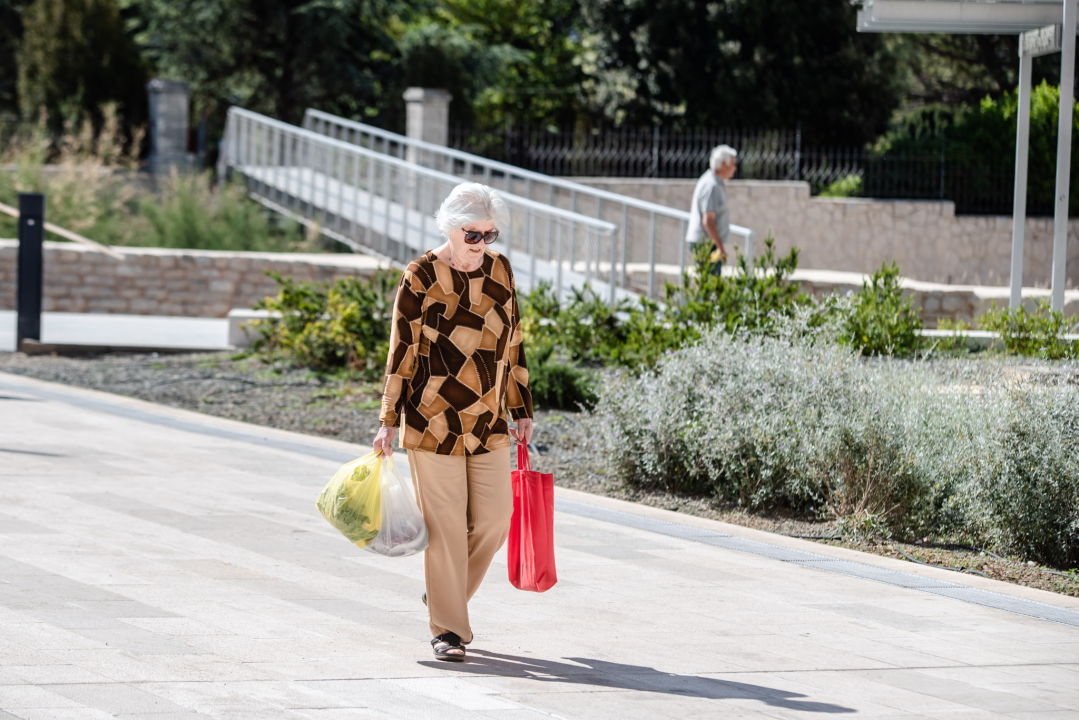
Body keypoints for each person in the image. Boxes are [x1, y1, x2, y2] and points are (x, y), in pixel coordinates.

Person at [372, 182, 534, 663]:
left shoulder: (501, 270)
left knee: (493, 520)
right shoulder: (420, 275)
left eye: (490, 234)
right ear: (449, 227)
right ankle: (448, 630)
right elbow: (400, 351)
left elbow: (514, 342)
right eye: (473, 234)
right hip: (432, 421)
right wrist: (387, 419)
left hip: (488, 421)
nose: (482, 244)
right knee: (444, 527)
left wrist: (522, 407)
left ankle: (444, 593)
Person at [685, 144, 737, 276]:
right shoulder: (711, 185)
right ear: (724, 164)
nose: (735, 168)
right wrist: (720, 247)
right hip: (707, 245)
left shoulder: (713, 181)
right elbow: (708, 220)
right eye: (733, 164)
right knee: (709, 287)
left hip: (707, 243)